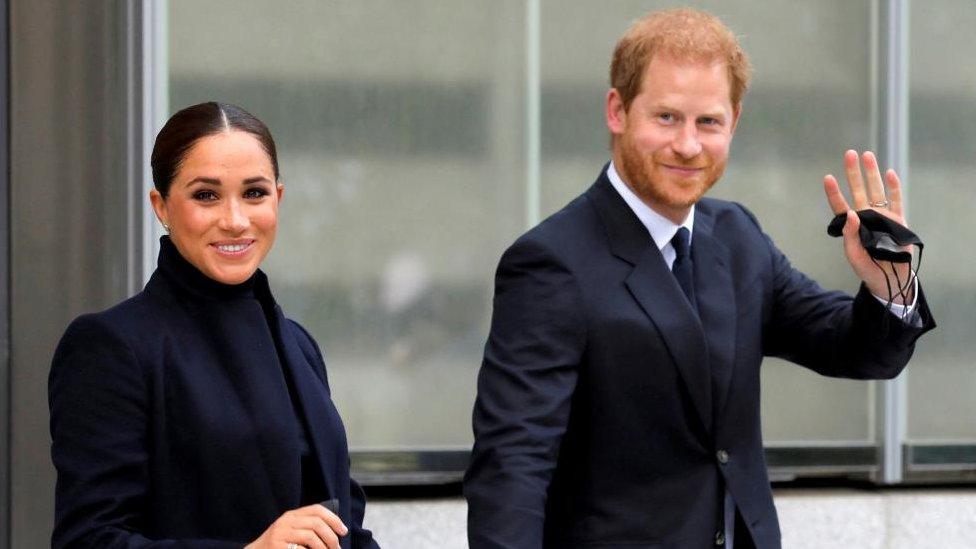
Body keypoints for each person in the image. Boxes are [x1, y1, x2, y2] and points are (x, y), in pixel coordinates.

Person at [464, 8, 935, 549]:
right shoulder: (551, 262)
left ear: (734, 121)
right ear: (617, 110)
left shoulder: (737, 236)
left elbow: (855, 350)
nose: (688, 145)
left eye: (708, 122)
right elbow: (512, 465)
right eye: (666, 117)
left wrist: (888, 281)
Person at [49, 102, 379, 549]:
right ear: (161, 206)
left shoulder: (299, 345)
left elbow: (343, 523)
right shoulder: (111, 347)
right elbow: (88, 540)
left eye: (254, 193)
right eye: (206, 195)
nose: (235, 220)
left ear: (278, 199)